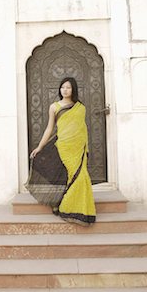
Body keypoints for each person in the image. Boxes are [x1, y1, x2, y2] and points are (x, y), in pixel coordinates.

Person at [25, 77, 96, 226]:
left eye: (68, 87)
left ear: (73, 89)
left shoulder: (80, 107)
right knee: (69, 176)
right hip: (63, 146)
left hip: (77, 147)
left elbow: (83, 129)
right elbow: (50, 128)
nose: (65, 90)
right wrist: (40, 147)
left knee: (80, 177)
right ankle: (68, 207)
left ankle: (79, 210)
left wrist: (85, 148)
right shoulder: (54, 107)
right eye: (63, 87)